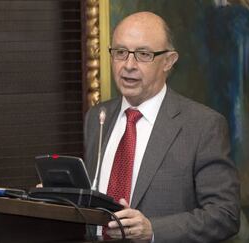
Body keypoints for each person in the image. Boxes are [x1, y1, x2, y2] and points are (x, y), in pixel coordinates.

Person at [84, 11, 240, 242]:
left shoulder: (203, 125)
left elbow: (225, 215)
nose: (128, 65)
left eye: (143, 54)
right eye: (120, 52)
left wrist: (153, 230)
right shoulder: (97, 117)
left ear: (168, 61)